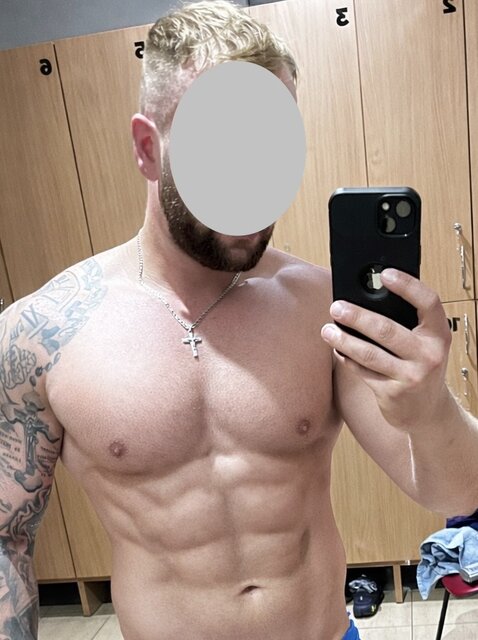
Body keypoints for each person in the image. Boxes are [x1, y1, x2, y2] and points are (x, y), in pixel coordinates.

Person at [1, 1, 478, 639]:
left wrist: (430, 408)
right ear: (148, 148)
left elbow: (456, 493)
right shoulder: (42, 334)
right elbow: (6, 540)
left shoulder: (322, 306)